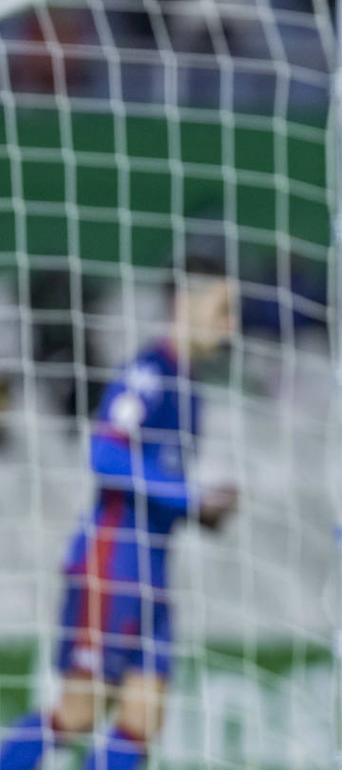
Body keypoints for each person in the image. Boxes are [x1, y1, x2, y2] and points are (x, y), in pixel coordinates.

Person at [0, 254, 239, 770]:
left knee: (142, 719)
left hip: (151, 572)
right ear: (185, 304)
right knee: (78, 713)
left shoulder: (190, 389)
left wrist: (199, 509)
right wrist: (190, 498)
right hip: (112, 567)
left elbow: (155, 483)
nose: (231, 326)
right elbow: (104, 453)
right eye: (222, 310)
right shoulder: (148, 373)